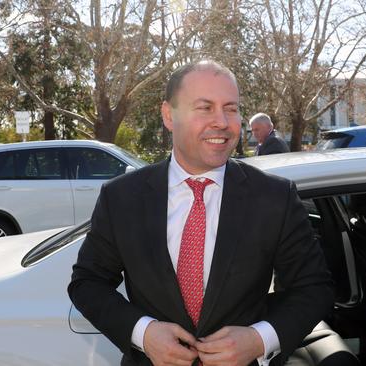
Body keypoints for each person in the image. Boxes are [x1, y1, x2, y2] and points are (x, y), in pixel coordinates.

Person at [68, 60, 333, 366]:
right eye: (205, 107)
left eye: (231, 108)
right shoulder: (122, 197)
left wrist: (259, 340)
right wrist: (144, 333)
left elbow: (315, 289)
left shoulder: (275, 197)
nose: (221, 121)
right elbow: (87, 282)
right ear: (169, 115)